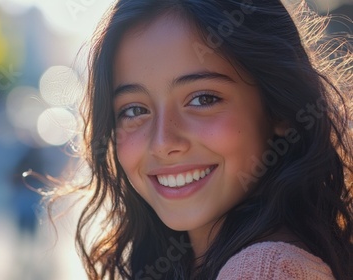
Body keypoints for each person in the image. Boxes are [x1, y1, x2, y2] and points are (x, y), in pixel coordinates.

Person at [49, 0, 353, 279]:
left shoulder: (265, 270)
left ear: (280, 111)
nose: (162, 142)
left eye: (203, 99)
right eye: (134, 110)